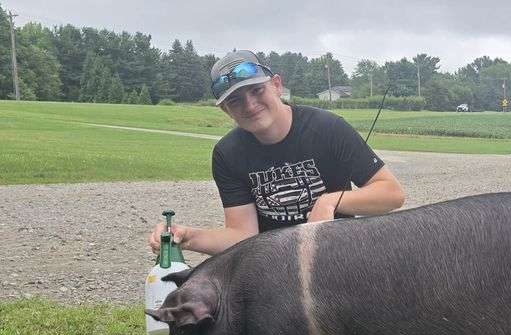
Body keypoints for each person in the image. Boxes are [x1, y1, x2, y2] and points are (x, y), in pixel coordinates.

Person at [149, 50, 405, 255]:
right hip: (274, 264)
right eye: (235, 100)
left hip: (336, 254)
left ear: (276, 85)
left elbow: (392, 194)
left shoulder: (328, 128)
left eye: (256, 90)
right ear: (226, 110)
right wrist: (189, 237)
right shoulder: (227, 154)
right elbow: (243, 236)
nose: (250, 105)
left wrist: (330, 201)